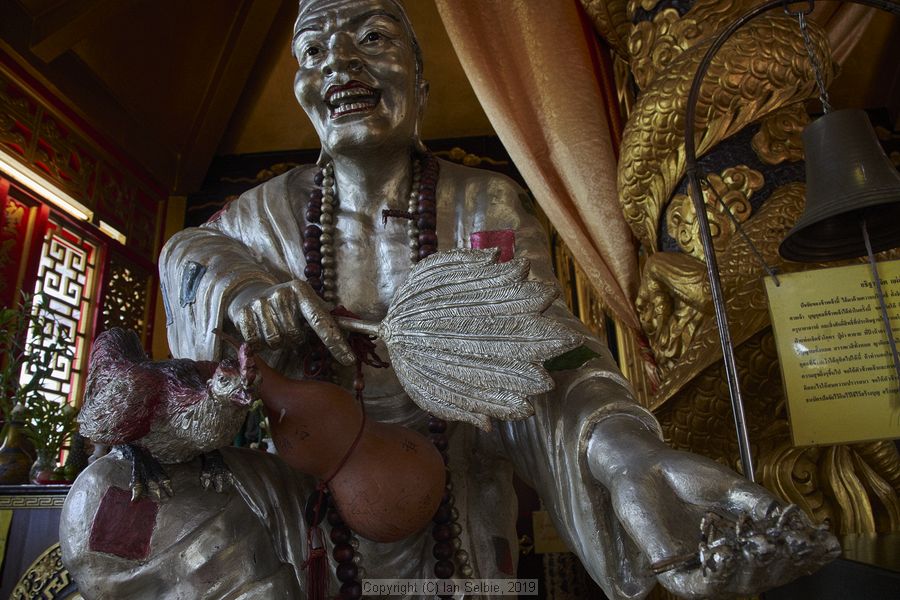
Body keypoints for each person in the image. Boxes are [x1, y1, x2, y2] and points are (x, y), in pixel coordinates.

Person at [61, 1, 838, 598]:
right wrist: (241, 296)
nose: (338, 63)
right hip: (296, 495)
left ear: (422, 83)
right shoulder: (262, 215)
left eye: (369, 38)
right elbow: (189, 252)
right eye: (312, 50)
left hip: (451, 490)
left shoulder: (482, 209)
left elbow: (542, 349)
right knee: (105, 503)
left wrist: (621, 449)